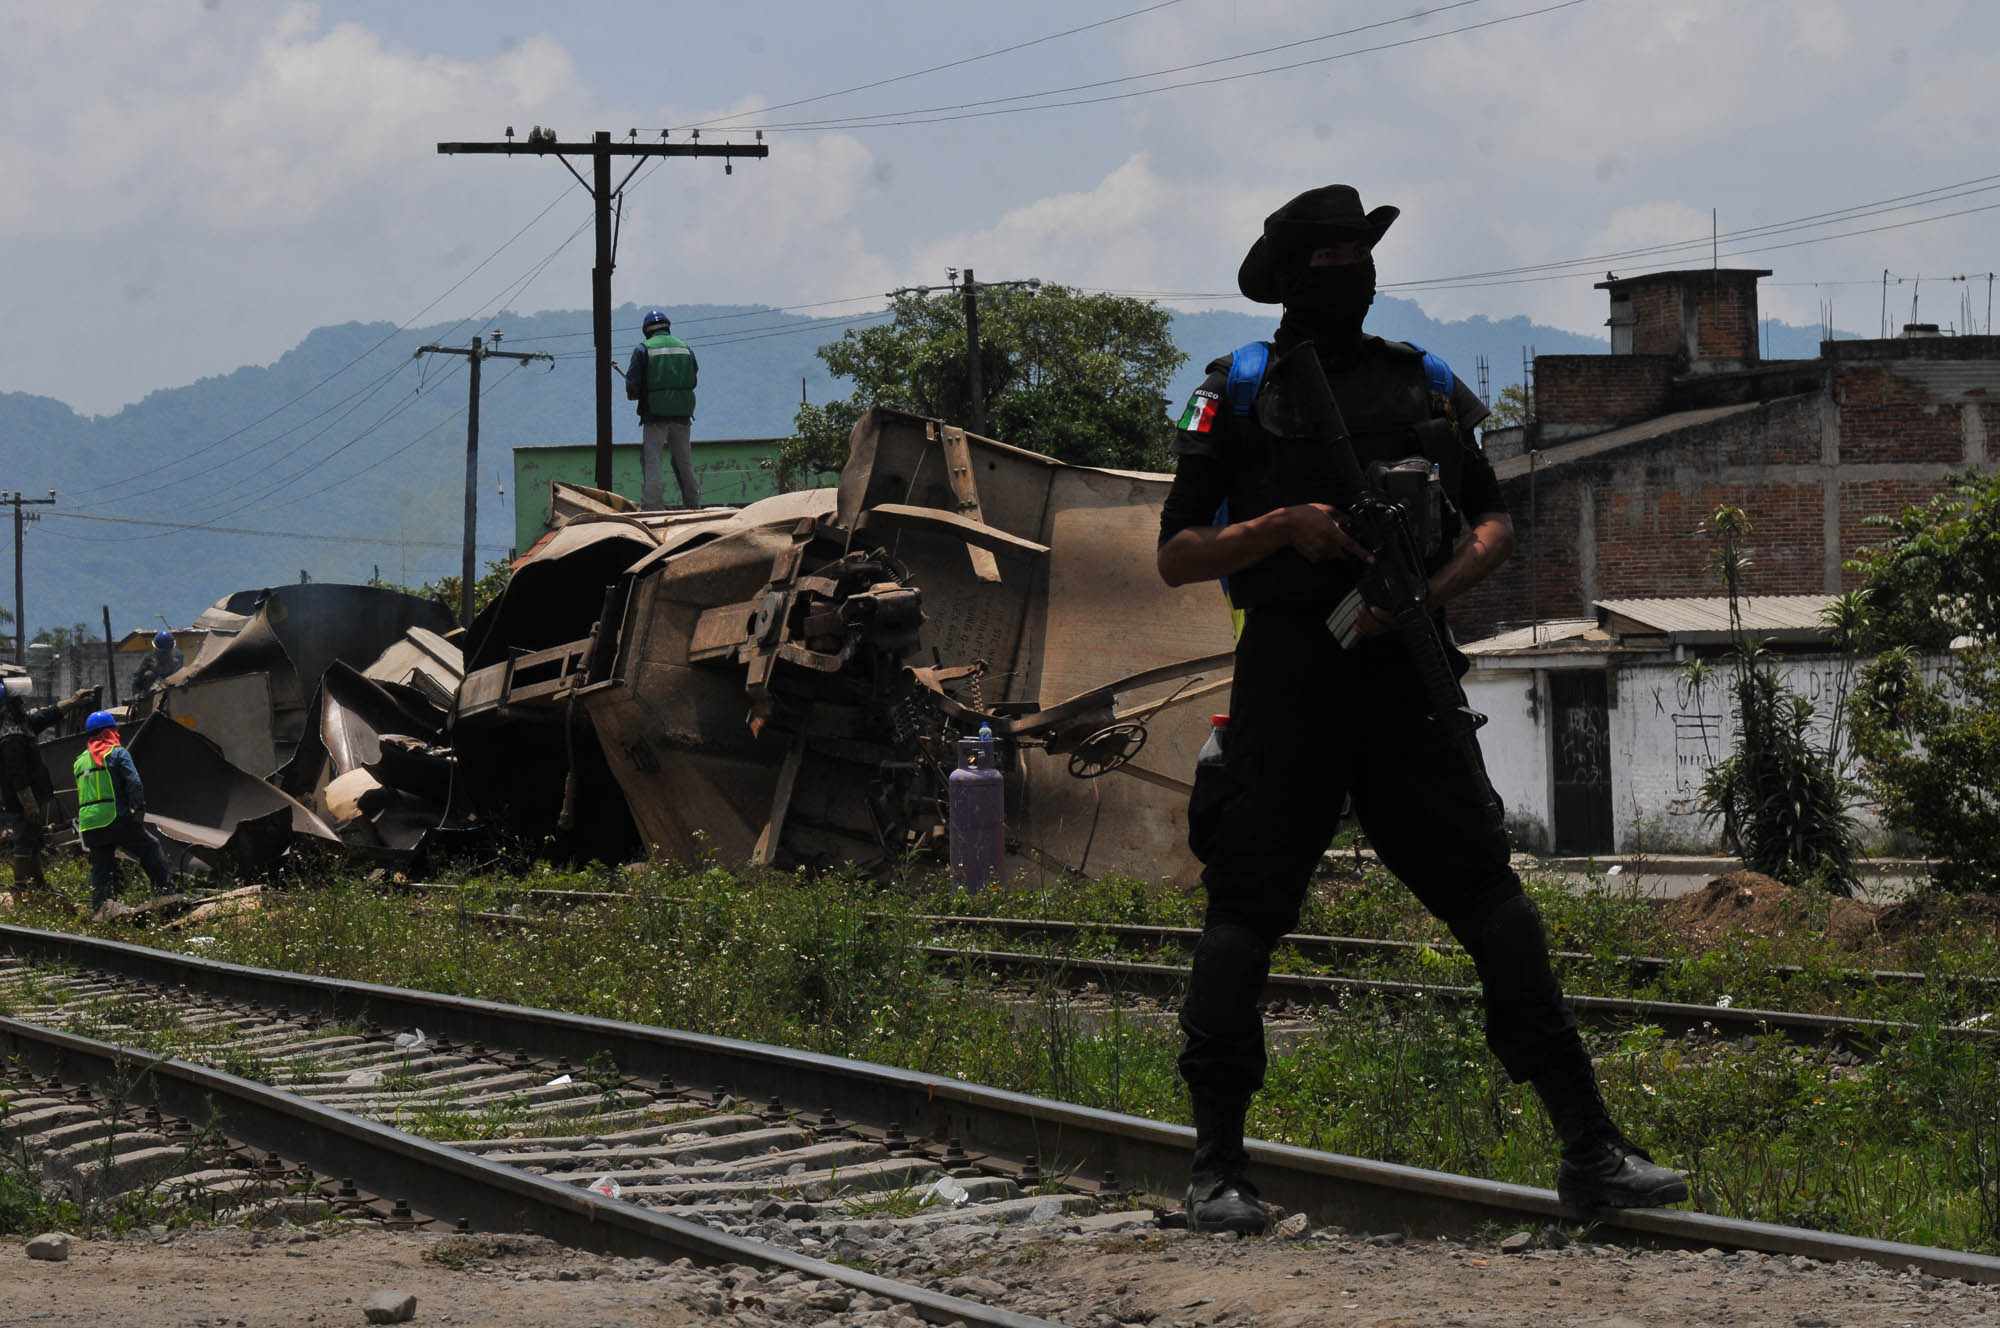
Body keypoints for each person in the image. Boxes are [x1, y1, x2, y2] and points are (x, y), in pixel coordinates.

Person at [1155, 184, 1688, 1235]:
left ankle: (1589, 1148)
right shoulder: (1237, 392)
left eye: (1360, 253)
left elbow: (1492, 515)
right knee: (1242, 918)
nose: (1350, 271)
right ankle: (1214, 1171)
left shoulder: (1426, 387)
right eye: (1330, 256)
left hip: (1405, 680)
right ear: (1293, 272)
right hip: (1289, 682)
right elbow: (1176, 553)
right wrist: (1283, 526)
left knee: (1495, 906)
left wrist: (1432, 589)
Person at [72, 709, 173, 920]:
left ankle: (100, 907)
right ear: (110, 732)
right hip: (114, 817)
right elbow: (134, 783)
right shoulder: (117, 753)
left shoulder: (80, 761)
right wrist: (139, 808)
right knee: (150, 847)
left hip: (89, 823)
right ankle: (166, 893)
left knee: (101, 864)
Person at [0, 687, 89, 904]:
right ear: (9, 707)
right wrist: (29, 803)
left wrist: (73, 701)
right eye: (19, 701)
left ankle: (39, 882)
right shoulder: (10, 736)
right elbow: (17, 775)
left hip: (29, 797)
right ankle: (19, 889)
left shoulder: (22, 725)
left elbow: (46, 715)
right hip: (20, 799)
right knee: (23, 840)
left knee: (34, 839)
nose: (24, 703)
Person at [624, 309, 701, 510]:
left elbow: (632, 385)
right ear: (667, 327)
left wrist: (638, 393)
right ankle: (693, 504)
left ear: (646, 331)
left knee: (653, 461)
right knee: (684, 461)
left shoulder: (643, 349)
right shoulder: (685, 348)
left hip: (655, 415)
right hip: (683, 414)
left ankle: (652, 507)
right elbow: (693, 379)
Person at [130, 628, 184, 694]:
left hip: (171, 687)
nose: (164, 655)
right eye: (162, 652)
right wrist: (136, 694)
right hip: (150, 691)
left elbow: (180, 675)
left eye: (166, 652)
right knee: (149, 674)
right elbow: (137, 678)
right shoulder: (149, 659)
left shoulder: (178, 657)